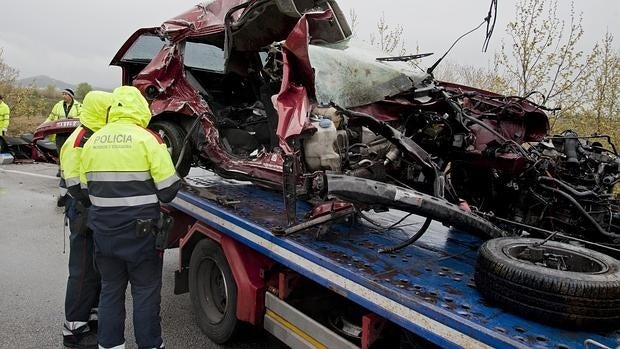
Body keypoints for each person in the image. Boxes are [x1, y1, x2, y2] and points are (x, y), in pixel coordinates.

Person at [79, 86, 181, 349]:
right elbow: (168, 191)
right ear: (140, 108)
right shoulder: (149, 140)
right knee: (145, 293)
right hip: (141, 235)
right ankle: (149, 345)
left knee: (111, 291)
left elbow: (83, 190)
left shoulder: (92, 141)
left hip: (104, 233)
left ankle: (110, 345)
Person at [59, 91, 113, 349]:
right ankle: (74, 329)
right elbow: (75, 185)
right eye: (109, 111)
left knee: (95, 268)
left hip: (93, 212)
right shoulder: (79, 140)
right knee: (82, 271)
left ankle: (91, 316)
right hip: (83, 211)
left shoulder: (94, 136)